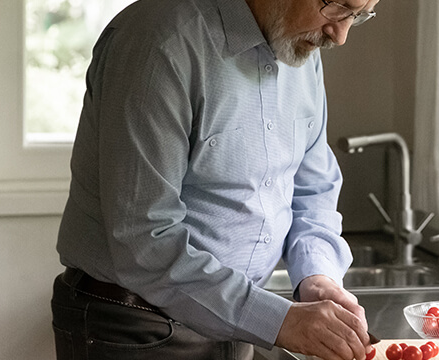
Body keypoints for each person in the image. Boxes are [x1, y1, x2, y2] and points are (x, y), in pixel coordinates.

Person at [50, 0, 379, 359]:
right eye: (339, 7)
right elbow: (144, 239)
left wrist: (316, 276)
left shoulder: (300, 47)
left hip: (237, 327)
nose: (341, 34)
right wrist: (279, 321)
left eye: (359, 15)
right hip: (136, 328)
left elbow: (312, 187)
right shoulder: (159, 43)